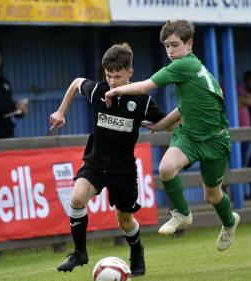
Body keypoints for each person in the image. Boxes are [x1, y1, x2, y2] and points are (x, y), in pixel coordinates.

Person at [105, 20, 240, 252]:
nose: (170, 51)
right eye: (167, 46)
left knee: (213, 197)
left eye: (175, 45)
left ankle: (229, 222)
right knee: (166, 168)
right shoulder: (187, 67)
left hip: (215, 140)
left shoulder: (184, 65)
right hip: (189, 135)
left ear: (189, 44)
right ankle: (182, 214)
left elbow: (145, 86)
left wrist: (115, 90)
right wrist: (161, 125)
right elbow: (184, 107)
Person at [50, 43, 179, 276]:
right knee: (77, 198)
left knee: (125, 221)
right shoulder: (99, 91)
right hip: (96, 161)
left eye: (118, 76)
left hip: (123, 169)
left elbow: (169, 125)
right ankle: (80, 252)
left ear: (130, 72)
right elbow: (76, 83)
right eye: (109, 76)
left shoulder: (142, 101)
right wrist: (61, 112)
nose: (112, 81)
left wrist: (172, 119)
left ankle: (136, 251)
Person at [238, 70, 251, 198]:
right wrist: (247, 100)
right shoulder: (243, 90)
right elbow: (241, 100)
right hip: (246, 133)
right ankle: (249, 191)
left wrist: (248, 100)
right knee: (249, 161)